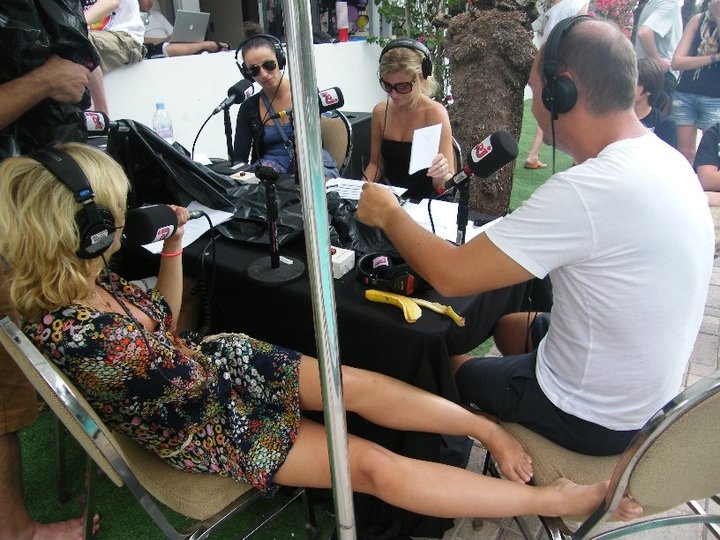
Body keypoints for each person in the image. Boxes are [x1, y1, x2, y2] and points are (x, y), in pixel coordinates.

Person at [0, 142, 644, 525]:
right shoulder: (82, 335)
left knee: (355, 383)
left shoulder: (84, 280)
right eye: (112, 216)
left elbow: (162, 329)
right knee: (371, 465)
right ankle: (550, 501)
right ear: (83, 232)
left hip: (205, 368)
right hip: (203, 420)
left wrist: (172, 252)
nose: (120, 224)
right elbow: (190, 386)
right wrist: (283, 397)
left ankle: (486, 430)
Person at [356, 17, 714, 458]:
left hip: (591, 418)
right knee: (510, 325)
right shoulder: (668, 158)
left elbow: (450, 275)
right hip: (648, 401)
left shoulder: (586, 192)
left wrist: (389, 214)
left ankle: (508, 440)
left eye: (533, 85)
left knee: (440, 361)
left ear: (561, 91)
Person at [0, 2, 102, 537]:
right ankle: (16, 530)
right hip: (10, 227)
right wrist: (43, 80)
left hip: (34, 220)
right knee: (5, 389)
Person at [232, 33, 339, 177]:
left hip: (308, 164)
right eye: (254, 70)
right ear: (247, 74)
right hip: (269, 171)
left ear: (280, 60)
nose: (263, 74)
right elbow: (239, 159)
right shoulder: (248, 108)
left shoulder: (305, 94)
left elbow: (310, 143)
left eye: (269, 65)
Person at [362, 38, 454, 200]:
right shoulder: (381, 112)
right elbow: (376, 165)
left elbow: (447, 184)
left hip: (424, 203)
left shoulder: (435, 114)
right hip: (389, 201)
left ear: (422, 77)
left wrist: (440, 174)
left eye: (403, 86)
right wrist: (360, 192)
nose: (394, 94)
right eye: (387, 86)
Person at [524, 0, 589, 169]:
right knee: (576, 107)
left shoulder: (555, 6)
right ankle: (578, 157)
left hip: (547, 59)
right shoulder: (579, 4)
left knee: (549, 103)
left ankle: (533, 154)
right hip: (566, 64)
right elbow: (581, 37)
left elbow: (543, 31)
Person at [670, 0, 720, 164]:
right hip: (685, 94)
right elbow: (677, 62)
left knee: (711, 156)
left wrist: (718, 17)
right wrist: (713, 58)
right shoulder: (698, 20)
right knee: (683, 154)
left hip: (715, 98)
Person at [634, 0, 683, 113]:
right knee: (650, 121)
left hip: (644, 74)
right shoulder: (670, 3)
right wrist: (658, 60)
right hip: (659, 76)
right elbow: (645, 33)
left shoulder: (653, 3)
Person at [138, 0, 229, 58]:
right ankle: (206, 45)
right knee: (167, 47)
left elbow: (172, 34)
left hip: (170, 44)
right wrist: (164, 39)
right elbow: (138, 40)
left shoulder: (158, 15)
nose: (151, 1)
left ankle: (206, 49)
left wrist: (177, 36)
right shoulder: (133, 19)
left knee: (180, 44)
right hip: (153, 48)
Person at [82, 0, 146, 74]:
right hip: (92, 37)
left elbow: (111, 2)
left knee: (77, 41)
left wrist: (77, 23)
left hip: (124, 36)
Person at [635, 57, 678, 148]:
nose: (628, 86)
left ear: (649, 89)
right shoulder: (615, 118)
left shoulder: (665, 125)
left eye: (635, 83)